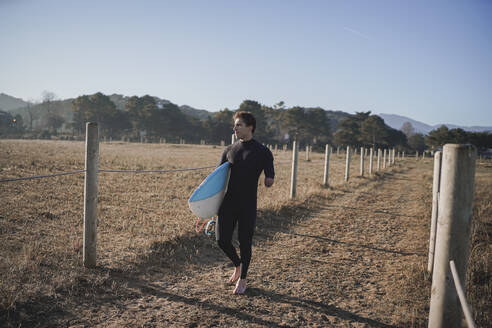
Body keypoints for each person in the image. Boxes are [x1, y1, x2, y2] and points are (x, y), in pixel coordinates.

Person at [216, 111, 275, 294]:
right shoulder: (229, 150)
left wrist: (268, 179)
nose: (235, 128)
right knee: (222, 240)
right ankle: (238, 264)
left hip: (248, 203)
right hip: (228, 202)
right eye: (235, 125)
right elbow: (217, 179)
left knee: (245, 241)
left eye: (239, 125)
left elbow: (270, 174)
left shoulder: (262, 151)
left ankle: (243, 279)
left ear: (250, 127)